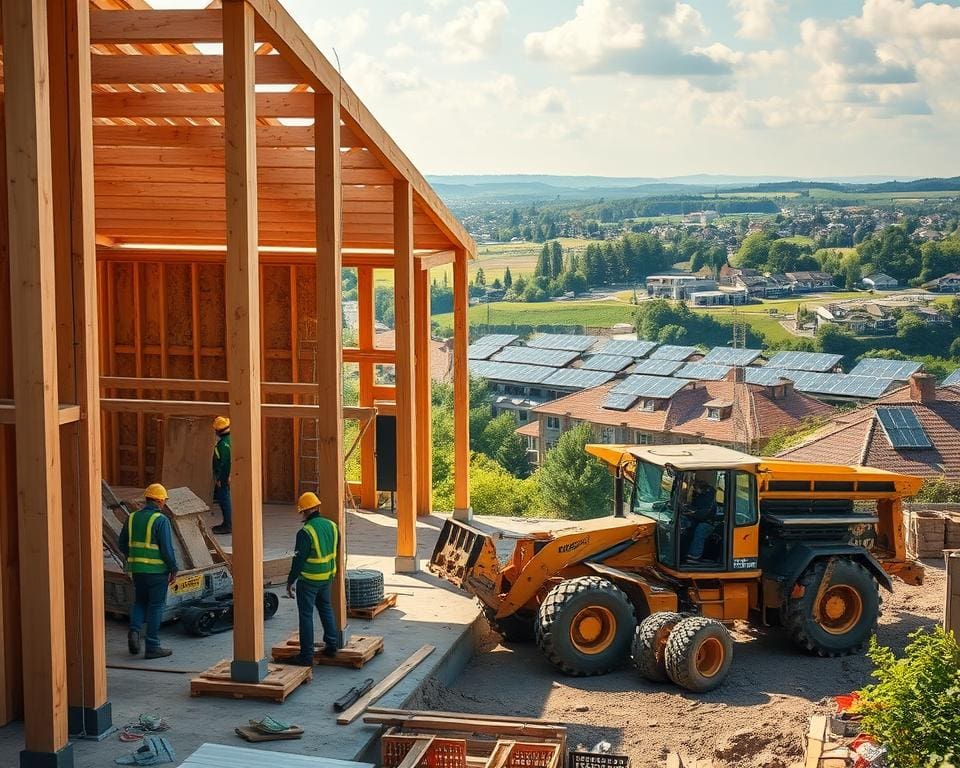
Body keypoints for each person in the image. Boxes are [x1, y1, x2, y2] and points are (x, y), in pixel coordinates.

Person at [119, 483, 178, 659]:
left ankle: (134, 630)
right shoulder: (161, 520)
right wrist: (173, 568)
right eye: (164, 500)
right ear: (160, 500)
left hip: (137, 570)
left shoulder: (131, 518)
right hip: (157, 572)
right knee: (156, 606)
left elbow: (122, 543)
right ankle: (152, 646)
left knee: (140, 602)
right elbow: (167, 549)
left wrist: (135, 558)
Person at [286, 492, 341, 666]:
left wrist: (290, 582)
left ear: (303, 512)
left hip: (309, 580)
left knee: (306, 615)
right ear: (317, 506)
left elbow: (298, 560)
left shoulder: (305, 532)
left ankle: (306, 656)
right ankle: (332, 645)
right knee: (326, 609)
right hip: (327, 577)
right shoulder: (332, 526)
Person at [685, 479, 717, 564]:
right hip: (698, 519)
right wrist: (688, 508)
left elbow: (704, 514)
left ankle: (694, 555)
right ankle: (685, 551)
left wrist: (692, 513)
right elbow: (695, 506)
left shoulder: (709, 497)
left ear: (700, 488)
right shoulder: (699, 496)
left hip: (709, 522)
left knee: (701, 529)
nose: (695, 491)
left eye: (695, 489)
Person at [211, 416, 232, 534]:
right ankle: (227, 523)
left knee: (224, 499)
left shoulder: (222, 445)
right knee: (226, 499)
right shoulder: (231, 440)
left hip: (224, 477)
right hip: (229, 476)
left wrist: (220, 479)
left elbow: (225, 463)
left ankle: (228, 525)